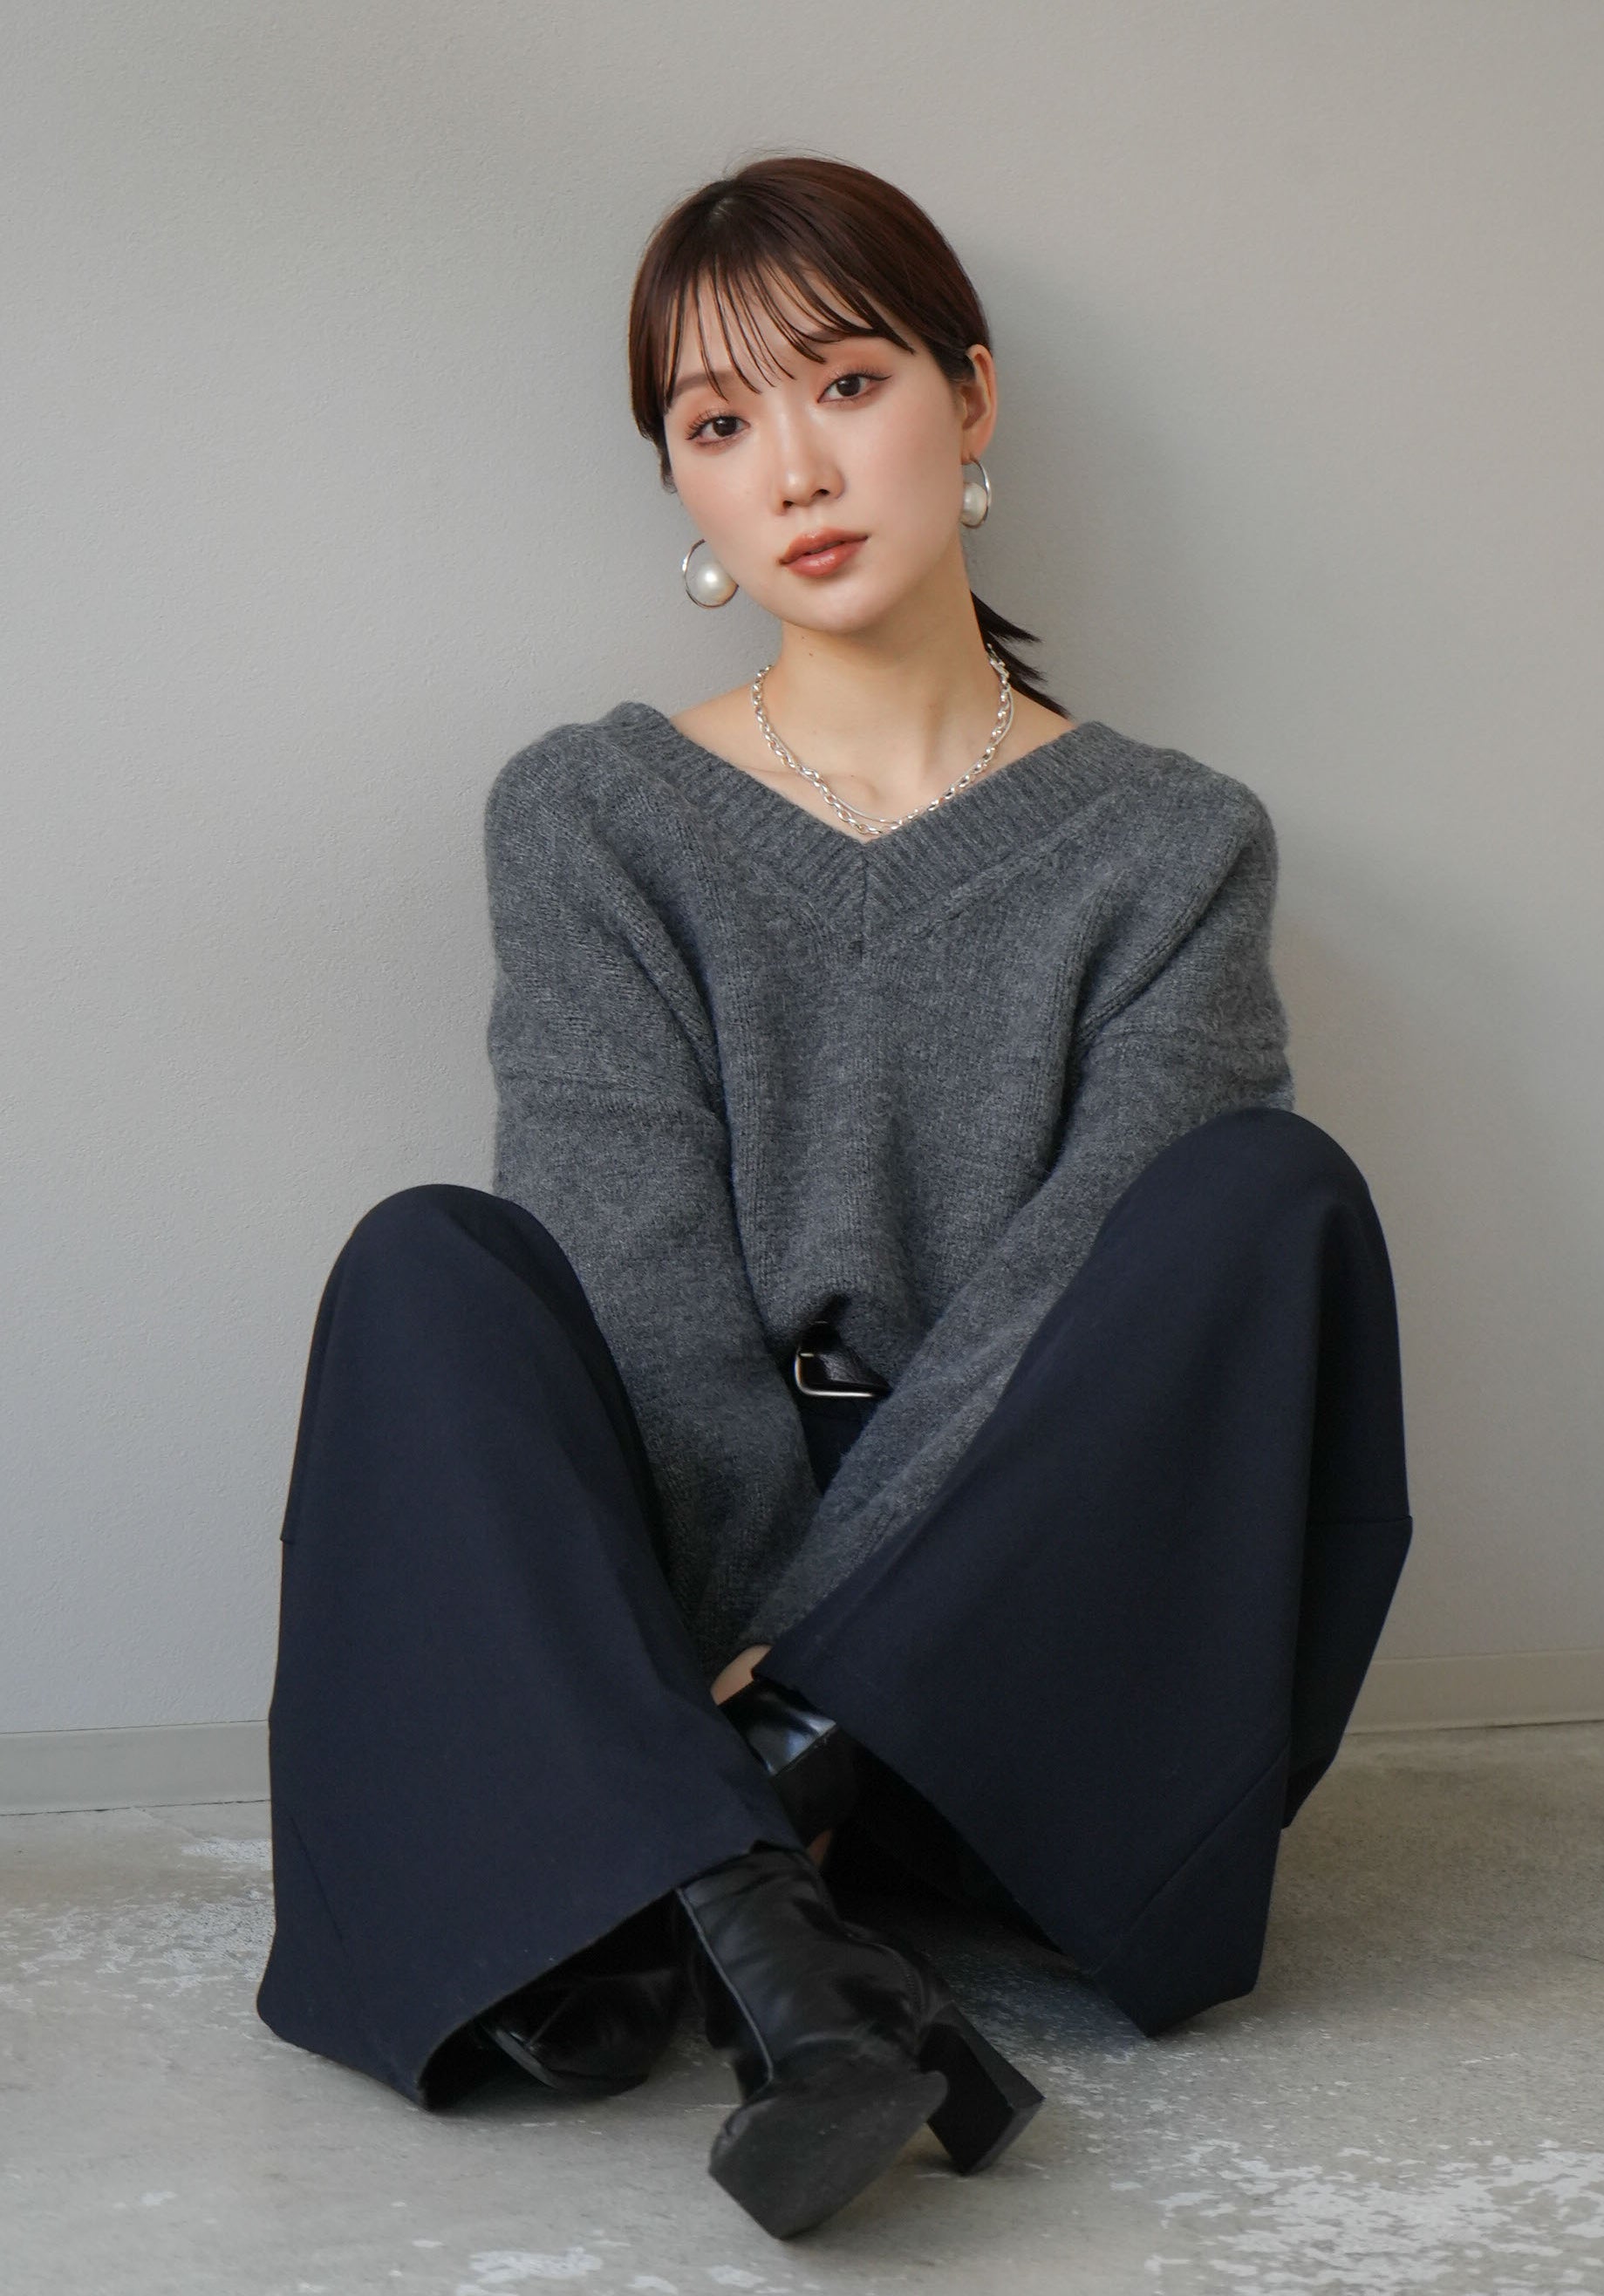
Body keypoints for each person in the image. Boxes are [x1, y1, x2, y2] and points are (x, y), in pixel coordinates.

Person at [255, 155, 1413, 2243]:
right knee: (431, 1260)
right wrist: (712, 1653)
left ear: (968, 399)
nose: (788, 466)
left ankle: (698, 1861)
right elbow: (624, 1267)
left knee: (1268, 1199)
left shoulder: (1172, 846)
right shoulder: (592, 811)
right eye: (716, 422)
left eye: (845, 384)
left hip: (1004, 1688)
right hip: (663, 1648)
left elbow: (1081, 1295)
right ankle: (787, 1952)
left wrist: (807, 1682)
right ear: (681, 487)